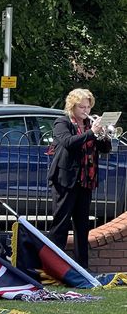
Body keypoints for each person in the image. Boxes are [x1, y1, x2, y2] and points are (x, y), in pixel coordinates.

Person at [47, 88, 111, 269]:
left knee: (82, 226)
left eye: (88, 107)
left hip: (86, 179)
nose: (86, 111)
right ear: (73, 106)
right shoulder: (62, 122)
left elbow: (105, 149)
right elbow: (68, 143)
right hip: (65, 179)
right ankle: (53, 266)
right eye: (82, 107)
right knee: (61, 224)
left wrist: (103, 134)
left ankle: (82, 267)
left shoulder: (91, 126)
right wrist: (92, 133)